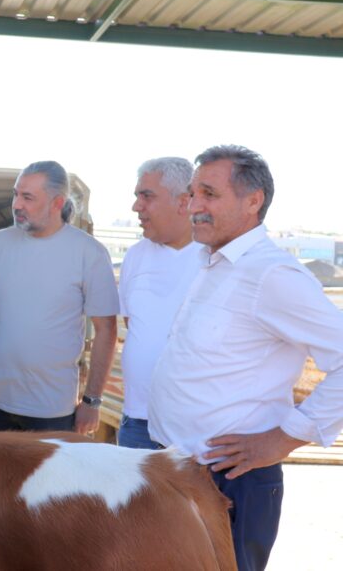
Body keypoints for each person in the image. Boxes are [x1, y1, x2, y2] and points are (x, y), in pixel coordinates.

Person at [149, 145, 343, 571]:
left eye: (209, 194)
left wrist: (283, 439)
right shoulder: (215, 263)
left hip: (229, 485)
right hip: (174, 471)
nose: (194, 205)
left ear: (252, 202)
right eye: (193, 193)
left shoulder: (272, 274)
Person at [0, 160, 118, 434]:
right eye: (16, 194)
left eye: (28, 197)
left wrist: (92, 400)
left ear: (57, 203)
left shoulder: (89, 253)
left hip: (51, 409)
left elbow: (107, 329)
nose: (16, 204)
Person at [117, 157, 201, 450]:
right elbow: (135, 327)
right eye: (137, 196)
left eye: (147, 196)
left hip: (197, 430)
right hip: (137, 423)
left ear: (183, 202)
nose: (136, 207)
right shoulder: (135, 256)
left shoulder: (217, 259)